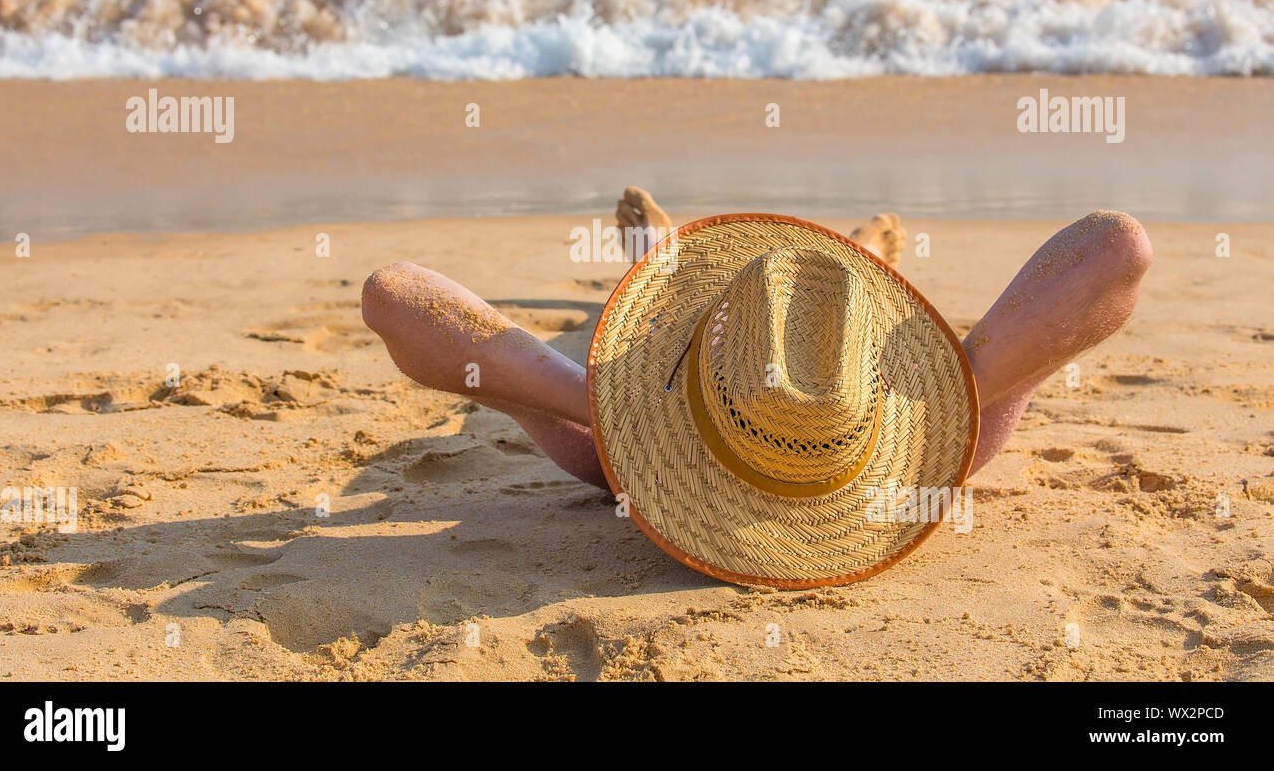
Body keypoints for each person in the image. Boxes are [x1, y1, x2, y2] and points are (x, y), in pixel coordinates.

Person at [360, 187, 1154, 489]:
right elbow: (1117, 247)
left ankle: (662, 261)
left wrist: (589, 407)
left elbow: (396, 299)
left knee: (794, 305)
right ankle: (853, 249)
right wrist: (969, 383)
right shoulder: (949, 449)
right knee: (800, 304)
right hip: (713, 361)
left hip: (679, 380)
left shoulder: (603, 453)